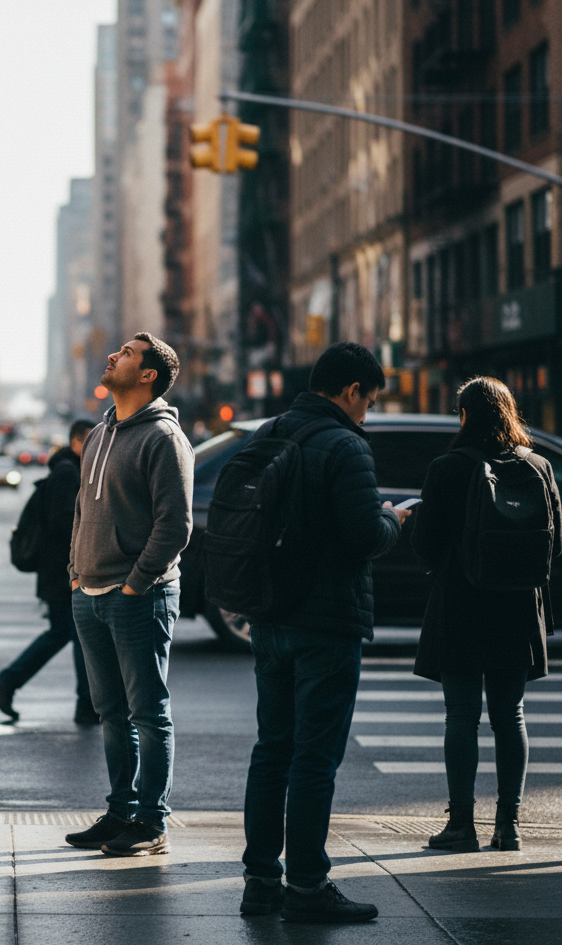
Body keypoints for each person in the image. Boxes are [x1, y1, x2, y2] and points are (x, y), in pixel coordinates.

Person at [239, 342, 408, 924]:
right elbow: (365, 535)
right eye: (368, 400)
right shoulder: (345, 444)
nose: (366, 412)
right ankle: (308, 886)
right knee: (314, 758)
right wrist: (392, 518)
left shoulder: (271, 432)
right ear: (351, 390)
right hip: (327, 621)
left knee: (272, 750)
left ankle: (260, 881)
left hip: (270, 615)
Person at [412, 377, 561, 853]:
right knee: (509, 714)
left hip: (460, 602)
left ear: (465, 415)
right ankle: (509, 826)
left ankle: (460, 826)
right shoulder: (538, 466)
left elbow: (426, 545)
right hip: (518, 606)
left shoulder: (448, 467)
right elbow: (555, 540)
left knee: (461, 715)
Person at [65, 333, 194, 858]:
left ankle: (151, 821)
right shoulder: (99, 433)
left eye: (127, 353)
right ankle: (121, 811)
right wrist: (75, 573)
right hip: (89, 593)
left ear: (147, 376)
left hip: (139, 595)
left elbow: (176, 524)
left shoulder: (164, 437)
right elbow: (81, 511)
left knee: (148, 713)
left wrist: (138, 581)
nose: (113, 355)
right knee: (111, 712)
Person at [0, 419, 98, 725]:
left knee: (62, 633)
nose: (94, 448)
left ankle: (8, 680)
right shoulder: (67, 473)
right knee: (80, 636)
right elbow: (65, 525)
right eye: (89, 441)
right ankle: (86, 705)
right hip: (64, 572)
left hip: (61, 571)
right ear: (76, 442)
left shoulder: (69, 470)